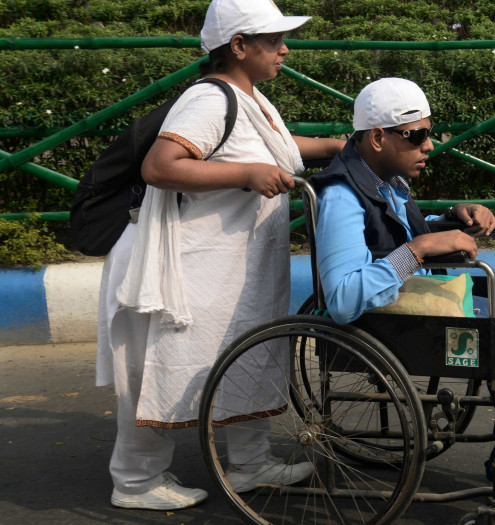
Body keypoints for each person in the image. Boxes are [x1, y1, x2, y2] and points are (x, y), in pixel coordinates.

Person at [309, 77, 495, 523]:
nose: (429, 145)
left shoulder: (383, 179)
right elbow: (344, 297)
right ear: (378, 138)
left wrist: (450, 219)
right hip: (388, 319)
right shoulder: (342, 196)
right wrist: (420, 250)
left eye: (430, 134)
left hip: (418, 299)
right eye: (417, 136)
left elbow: (393, 231)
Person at [94, 0, 345, 511]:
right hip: (177, 265)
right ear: (239, 46)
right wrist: (245, 175)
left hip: (222, 265)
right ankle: (136, 482)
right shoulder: (209, 99)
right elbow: (161, 165)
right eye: (273, 41)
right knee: (159, 364)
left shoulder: (249, 98)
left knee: (245, 350)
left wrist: (332, 146)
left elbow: (269, 145)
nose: (284, 50)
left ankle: (251, 463)